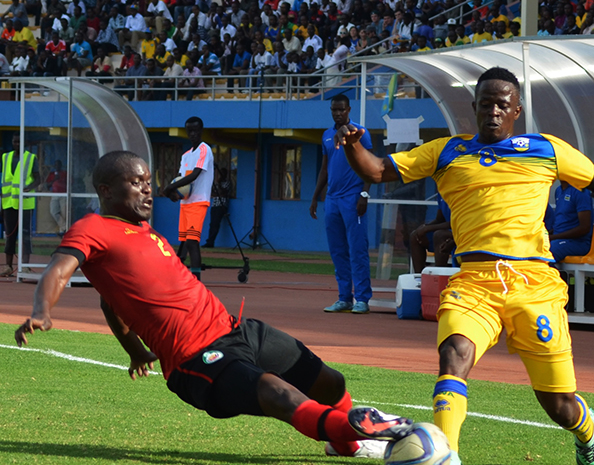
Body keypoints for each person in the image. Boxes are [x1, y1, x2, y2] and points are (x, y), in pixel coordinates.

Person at [332, 67, 594, 465]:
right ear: (475, 107)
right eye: (486, 104)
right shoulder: (446, 151)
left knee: (558, 403)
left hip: (533, 284)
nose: (494, 112)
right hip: (474, 282)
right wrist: (351, 145)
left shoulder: (547, 149)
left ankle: (586, 431)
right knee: (454, 353)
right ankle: (446, 455)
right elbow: (378, 170)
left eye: (503, 105)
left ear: (516, 110)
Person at [13, 150, 414, 461]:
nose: (148, 190)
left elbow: (110, 303)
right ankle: (365, 429)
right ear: (105, 190)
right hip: (196, 359)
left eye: (148, 181)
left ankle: (346, 445)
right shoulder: (92, 228)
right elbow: (59, 270)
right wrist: (42, 310)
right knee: (277, 393)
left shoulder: (142, 230)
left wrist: (135, 351)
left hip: (237, 329)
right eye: (136, 183)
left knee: (331, 382)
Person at [310, 94, 373, 315]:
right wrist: (315, 196)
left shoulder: (359, 133)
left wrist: (364, 193)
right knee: (338, 251)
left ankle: (362, 299)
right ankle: (344, 297)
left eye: (341, 109)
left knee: (357, 249)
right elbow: (325, 169)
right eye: (334, 110)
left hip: (353, 197)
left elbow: (370, 166)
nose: (338, 113)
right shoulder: (327, 136)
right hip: (332, 199)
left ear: (349, 109)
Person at [160, 116, 213, 280]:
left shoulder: (205, 150)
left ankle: (196, 279)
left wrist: (170, 187)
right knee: (184, 242)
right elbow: (180, 178)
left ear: (201, 131)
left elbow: (195, 175)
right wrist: (173, 193)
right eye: (189, 131)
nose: (192, 134)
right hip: (186, 203)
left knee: (192, 241)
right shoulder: (186, 155)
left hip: (198, 202)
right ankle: (177, 277)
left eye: (195, 131)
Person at [1, 134, 39, 276]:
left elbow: (38, 178)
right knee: (10, 235)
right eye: (14, 141)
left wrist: (30, 186)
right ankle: (8, 266)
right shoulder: (5, 157)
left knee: (25, 235)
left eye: (19, 142)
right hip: (9, 203)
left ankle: (26, 266)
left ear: (24, 143)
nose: (16, 144)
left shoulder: (30, 158)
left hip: (25, 204)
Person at [548, 180, 594, 262]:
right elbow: (563, 222)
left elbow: (585, 228)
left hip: (578, 243)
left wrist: (553, 237)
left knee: (547, 253)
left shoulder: (580, 191)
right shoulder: (558, 190)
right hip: (558, 240)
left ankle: (554, 274)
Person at [409, 193, 454, 273]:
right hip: (447, 231)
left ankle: (439, 275)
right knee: (415, 235)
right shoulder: (442, 193)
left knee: (439, 235)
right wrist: (423, 228)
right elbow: (439, 219)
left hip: (462, 233)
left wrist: (427, 228)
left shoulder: (458, 192)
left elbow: (455, 223)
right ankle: (419, 277)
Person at [203, 166, 231, 248]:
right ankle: (209, 241)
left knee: (216, 223)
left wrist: (219, 185)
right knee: (212, 224)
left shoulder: (227, 182)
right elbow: (212, 193)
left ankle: (211, 241)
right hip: (214, 205)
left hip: (221, 205)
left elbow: (223, 193)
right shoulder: (216, 183)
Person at [45, 159, 68, 236]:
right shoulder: (52, 174)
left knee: (64, 213)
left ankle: (62, 230)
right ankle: (64, 227)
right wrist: (55, 179)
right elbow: (47, 185)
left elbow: (70, 184)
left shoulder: (65, 173)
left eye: (58, 164)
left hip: (64, 194)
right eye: (56, 165)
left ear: (61, 165)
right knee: (53, 211)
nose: (57, 166)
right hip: (54, 194)